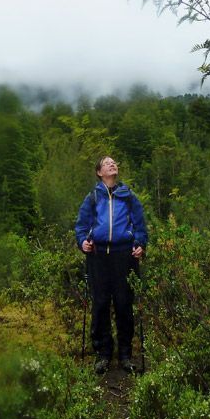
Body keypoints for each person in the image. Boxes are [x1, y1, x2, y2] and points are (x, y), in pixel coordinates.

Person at [75, 156, 147, 374]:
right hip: (98, 258)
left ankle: (125, 354)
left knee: (125, 304)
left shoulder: (128, 197)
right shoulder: (92, 198)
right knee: (100, 305)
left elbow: (141, 225)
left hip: (124, 256)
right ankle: (103, 354)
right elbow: (81, 226)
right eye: (107, 163)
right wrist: (83, 242)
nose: (113, 164)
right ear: (99, 172)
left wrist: (140, 244)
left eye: (115, 162)